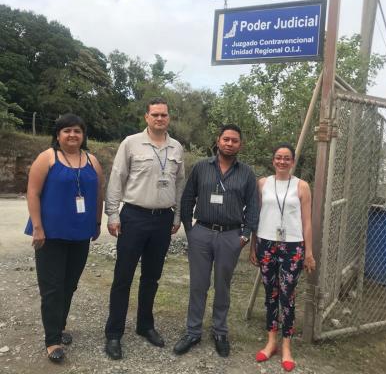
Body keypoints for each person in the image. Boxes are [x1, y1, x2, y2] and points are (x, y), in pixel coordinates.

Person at [104, 97, 185, 360]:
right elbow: (117, 178)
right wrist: (113, 214)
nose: (160, 118)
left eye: (164, 114)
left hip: (163, 219)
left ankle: (145, 325)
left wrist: (177, 217)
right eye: (155, 114)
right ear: (146, 117)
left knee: (151, 277)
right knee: (123, 277)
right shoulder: (130, 143)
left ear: (169, 118)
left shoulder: (176, 148)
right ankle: (114, 333)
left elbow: (180, 185)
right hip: (134, 217)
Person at [173, 124, 259, 358]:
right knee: (198, 285)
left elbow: (253, 205)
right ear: (218, 141)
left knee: (223, 286)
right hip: (201, 232)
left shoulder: (247, 173)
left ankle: (220, 331)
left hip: (230, 236)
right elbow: (188, 196)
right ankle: (193, 331)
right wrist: (190, 229)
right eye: (226, 139)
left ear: (240, 145)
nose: (230, 143)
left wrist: (245, 235)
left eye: (234, 140)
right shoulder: (202, 167)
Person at [25, 113, 104, 363]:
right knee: (52, 288)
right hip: (49, 235)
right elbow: (33, 192)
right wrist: (37, 227)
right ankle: (52, 340)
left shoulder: (92, 160)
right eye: (67, 131)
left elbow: (99, 194)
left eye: (77, 131)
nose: (72, 135)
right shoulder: (47, 157)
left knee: (69, 285)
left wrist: (98, 222)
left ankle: (58, 327)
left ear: (83, 135)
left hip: (80, 233)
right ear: (58, 135)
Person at [249, 142, 316, 372]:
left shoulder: (302, 186)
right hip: (266, 243)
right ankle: (271, 342)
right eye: (278, 157)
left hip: (293, 246)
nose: (282, 161)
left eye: (287, 158)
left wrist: (308, 252)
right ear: (273, 160)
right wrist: (253, 245)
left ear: (293, 161)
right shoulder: (262, 184)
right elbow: (256, 217)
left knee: (287, 295)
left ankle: (287, 346)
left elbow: (307, 221)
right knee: (270, 294)